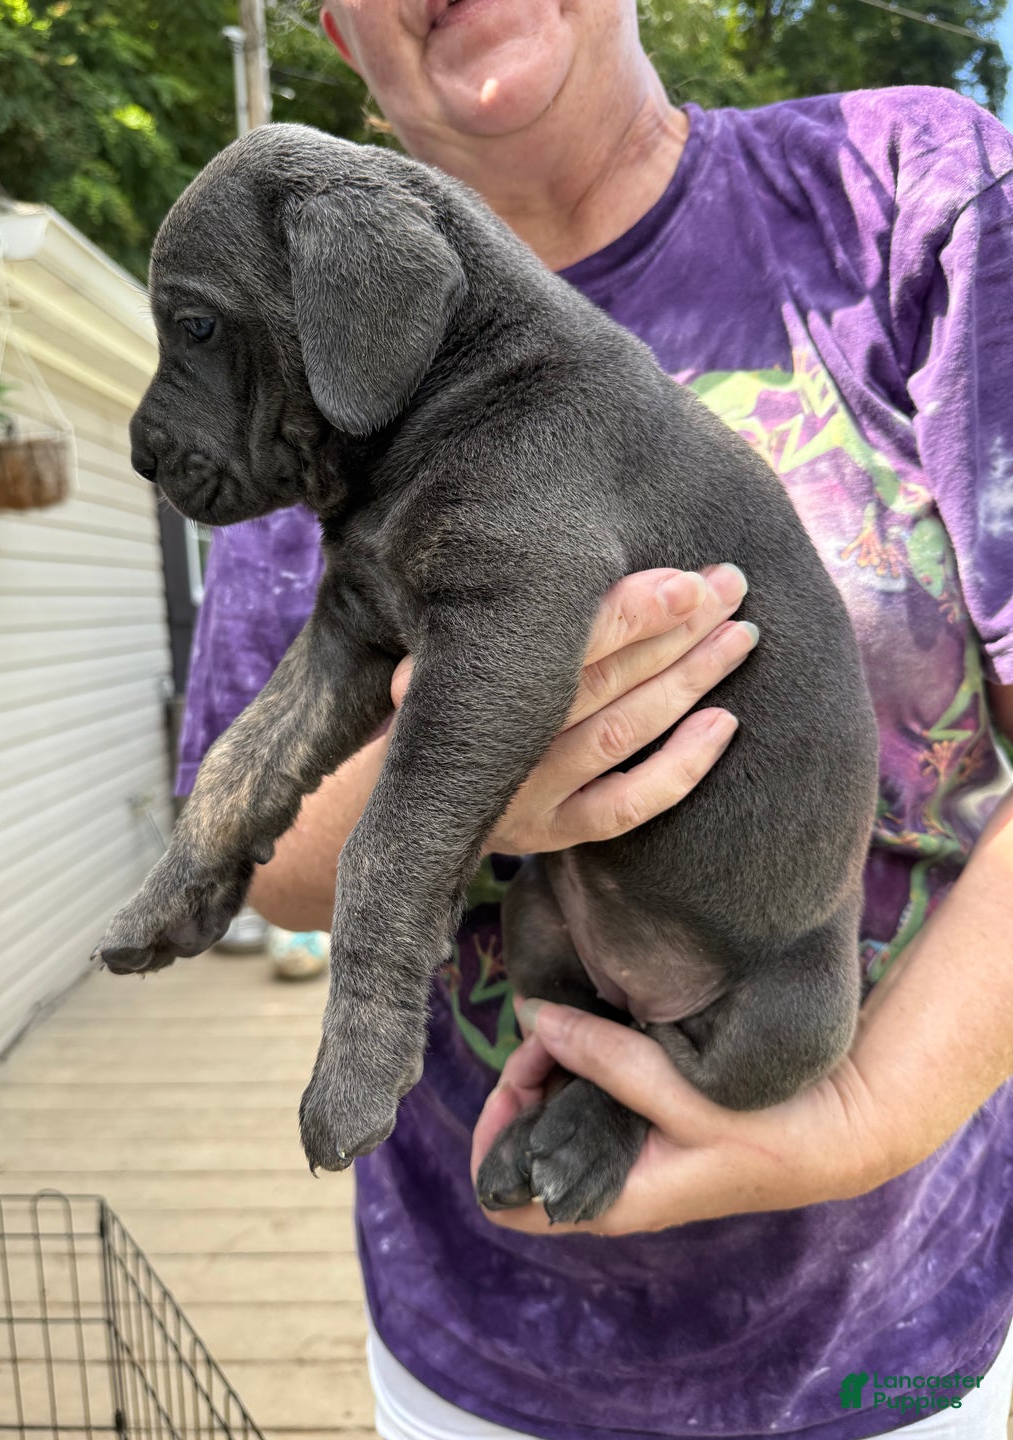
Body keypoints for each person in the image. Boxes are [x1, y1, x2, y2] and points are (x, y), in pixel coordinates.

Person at [174, 3, 1013, 1436]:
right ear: (331, 24)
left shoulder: (909, 198)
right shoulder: (301, 337)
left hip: (893, 1347)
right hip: (485, 1346)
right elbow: (248, 843)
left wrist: (865, 1113)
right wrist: (463, 777)